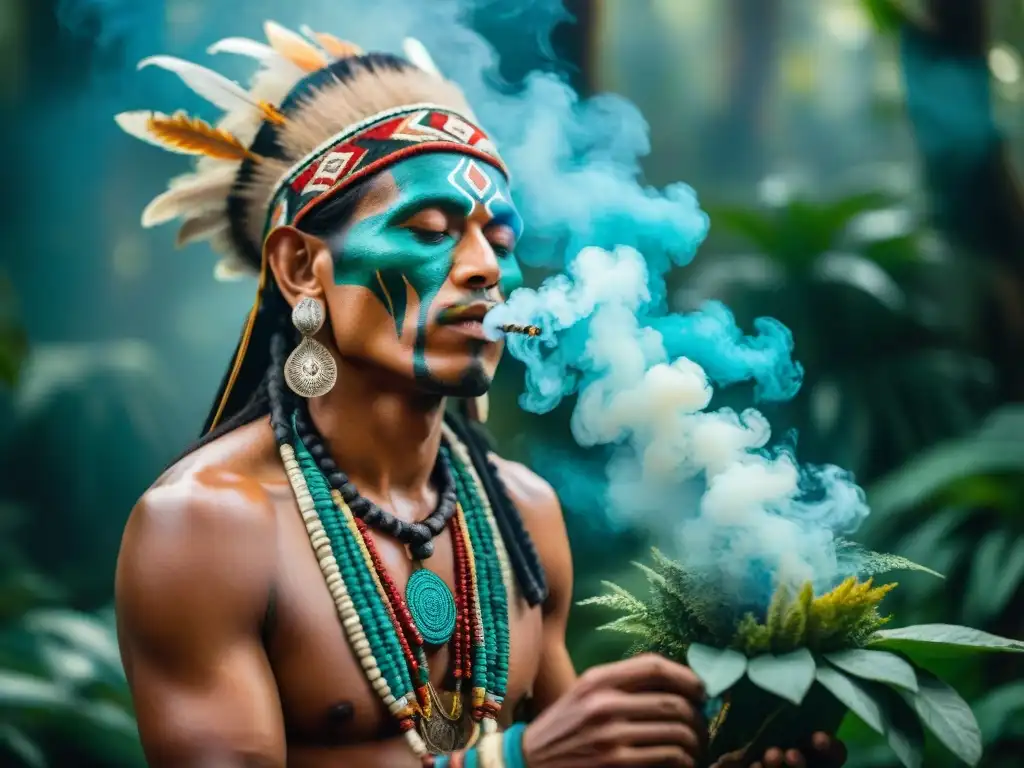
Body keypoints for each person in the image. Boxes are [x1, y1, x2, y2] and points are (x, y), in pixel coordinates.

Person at [113, 22, 848, 768]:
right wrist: (504, 761)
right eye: (431, 230)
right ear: (303, 266)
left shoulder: (521, 514)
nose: (482, 268)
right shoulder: (205, 527)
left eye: (498, 240)